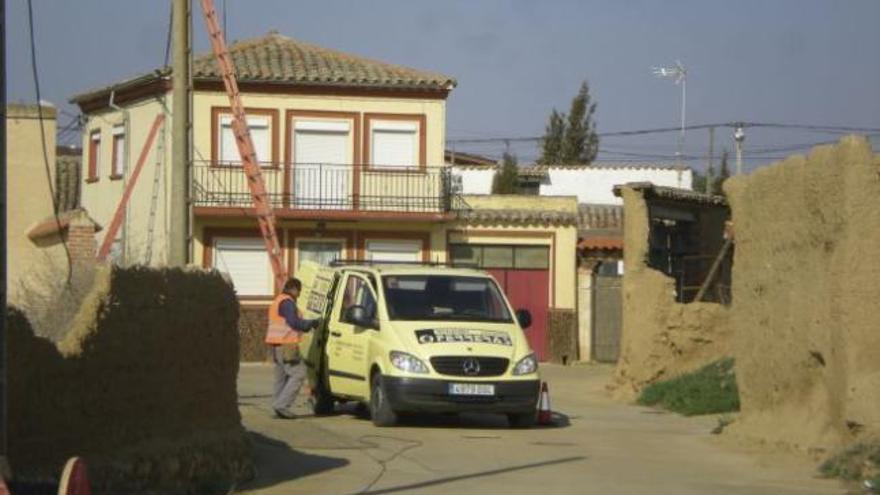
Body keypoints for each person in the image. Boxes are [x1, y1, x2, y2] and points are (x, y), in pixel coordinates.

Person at [265, 277, 321, 419]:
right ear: (294, 289)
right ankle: (282, 406)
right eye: (299, 291)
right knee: (299, 373)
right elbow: (294, 322)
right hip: (287, 345)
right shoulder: (287, 303)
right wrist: (311, 324)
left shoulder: (278, 300)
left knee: (281, 377)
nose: (300, 294)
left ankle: (277, 406)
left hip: (277, 345)